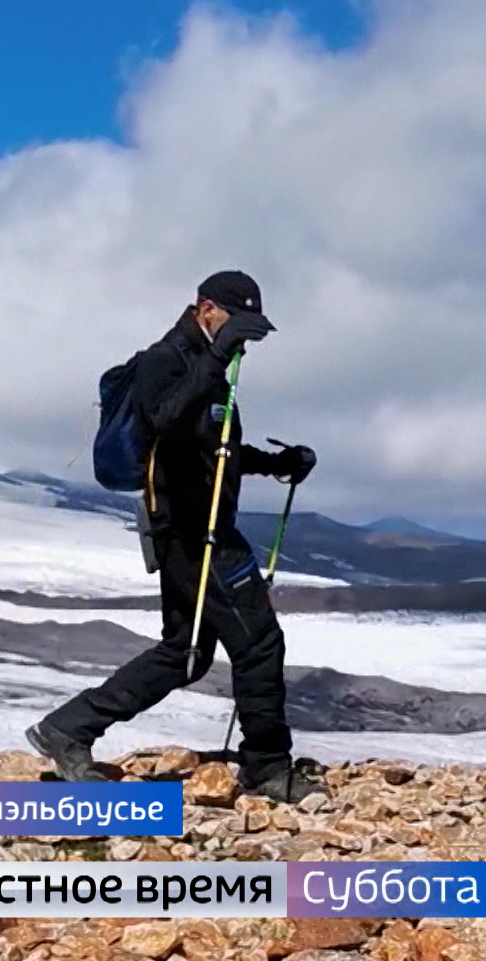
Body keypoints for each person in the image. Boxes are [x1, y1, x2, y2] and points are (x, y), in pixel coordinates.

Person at [26, 271, 321, 802]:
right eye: (240, 326)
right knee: (259, 643)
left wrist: (277, 462)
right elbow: (166, 417)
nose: (247, 341)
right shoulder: (166, 360)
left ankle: (68, 730)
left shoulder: (209, 367)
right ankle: (269, 769)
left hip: (197, 530)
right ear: (206, 309)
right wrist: (217, 356)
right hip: (194, 533)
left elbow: (213, 447)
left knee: (184, 653)